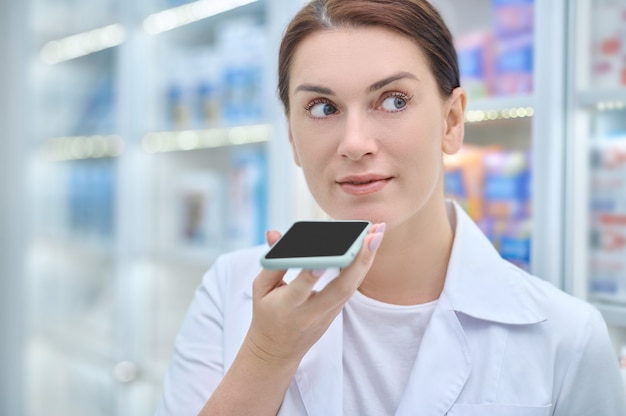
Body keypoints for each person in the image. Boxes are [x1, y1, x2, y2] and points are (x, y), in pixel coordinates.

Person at [155, 0, 626, 415]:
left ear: (452, 121)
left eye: (393, 101)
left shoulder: (568, 336)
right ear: (292, 137)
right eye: (322, 107)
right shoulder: (229, 290)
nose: (355, 143)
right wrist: (267, 353)